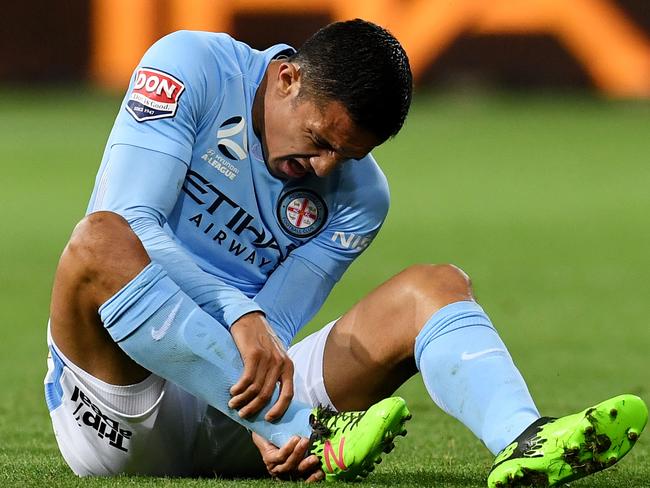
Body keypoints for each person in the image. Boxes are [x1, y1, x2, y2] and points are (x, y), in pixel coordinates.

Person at [44, 19, 647, 486]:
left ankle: (525, 441)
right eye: (319, 140)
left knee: (435, 284)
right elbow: (132, 220)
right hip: (119, 410)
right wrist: (238, 313)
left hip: (240, 404)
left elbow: (276, 325)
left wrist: (257, 351)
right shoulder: (190, 67)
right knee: (100, 239)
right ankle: (291, 426)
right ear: (287, 79)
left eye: (348, 155)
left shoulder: (362, 198)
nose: (326, 167)